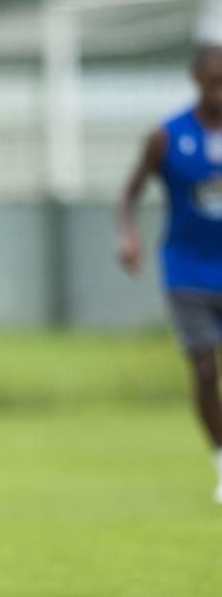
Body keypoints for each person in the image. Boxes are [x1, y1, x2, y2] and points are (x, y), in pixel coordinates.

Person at [118, 43, 222, 504]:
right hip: (188, 269)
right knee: (204, 369)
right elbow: (129, 194)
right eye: (214, 81)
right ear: (197, 80)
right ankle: (221, 458)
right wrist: (129, 235)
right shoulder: (167, 136)